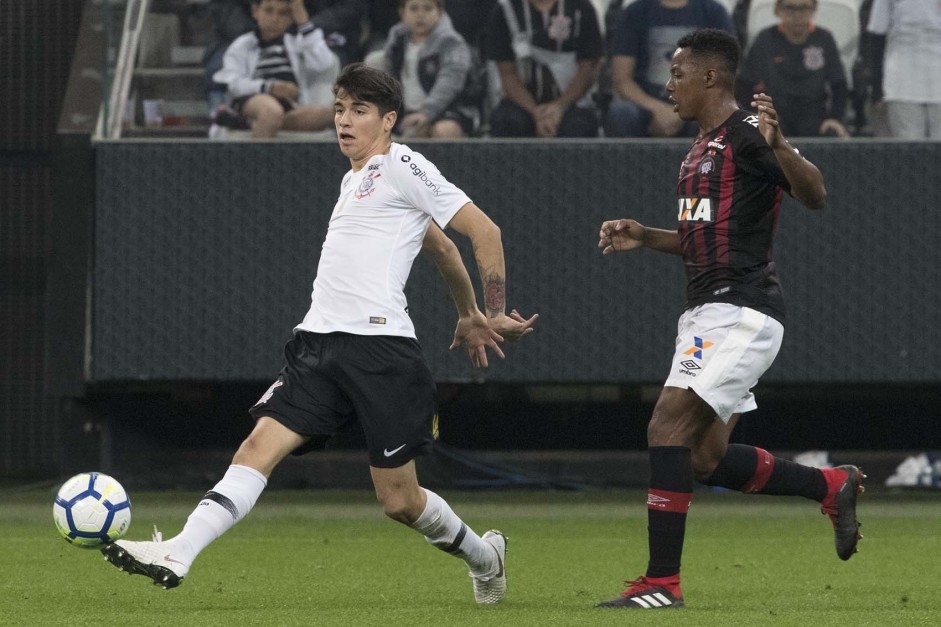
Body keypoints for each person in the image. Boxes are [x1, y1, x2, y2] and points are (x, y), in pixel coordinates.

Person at [101, 63, 539, 605]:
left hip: (381, 353)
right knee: (257, 445)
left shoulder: (401, 162)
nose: (344, 121)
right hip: (317, 346)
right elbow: (441, 249)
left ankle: (484, 556)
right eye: (338, 109)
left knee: (400, 501)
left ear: (388, 120)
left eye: (359, 111)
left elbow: (481, 231)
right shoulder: (354, 179)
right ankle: (179, 551)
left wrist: (490, 311)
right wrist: (466, 311)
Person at [595, 28, 863, 609]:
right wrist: (646, 236)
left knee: (666, 426)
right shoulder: (697, 149)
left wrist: (783, 146)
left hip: (740, 310)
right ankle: (830, 486)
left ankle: (661, 584)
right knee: (703, 457)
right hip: (705, 311)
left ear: (710, 76)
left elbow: (815, 194)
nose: (668, 84)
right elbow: (700, 238)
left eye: (677, 73)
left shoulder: (748, 134)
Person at [605, 0, 734, 138]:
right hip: (645, 104)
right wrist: (657, 109)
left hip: (697, 104)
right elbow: (622, 79)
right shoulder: (634, 13)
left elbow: (724, 76)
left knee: (718, 115)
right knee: (621, 114)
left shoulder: (713, 12)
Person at [212, 0, 340, 138]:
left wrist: (303, 22)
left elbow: (324, 64)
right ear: (256, 11)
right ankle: (259, 155)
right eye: (268, 10)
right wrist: (270, 88)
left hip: (289, 106)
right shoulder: (243, 45)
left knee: (334, 114)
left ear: (291, 17)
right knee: (271, 112)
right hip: (254, 99)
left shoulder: (297, 44)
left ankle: (250, 124)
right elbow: (234, 84)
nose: (274, 19)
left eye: (283, 13)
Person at [485, 0, 604, 138]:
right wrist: (537, 113)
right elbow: (508, 75)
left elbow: (587, 69)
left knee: (577, 127)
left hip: (572, 102)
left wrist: (559, 107)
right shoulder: (505, 10)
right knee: (507, 122)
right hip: (521, 104)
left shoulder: (582, 8)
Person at [737, 0, 850, 138]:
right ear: (778, 10)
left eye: (803, 8)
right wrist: (755, 114)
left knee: (835, 134)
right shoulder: (765, 39)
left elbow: (839, 84)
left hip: (814, 116)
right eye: (790, 8)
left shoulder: (824, 39)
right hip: (776, 114)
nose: (797, 15)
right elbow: (744, 84)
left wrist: (835, 118)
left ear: (813, 10)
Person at [378, 0, 479, 138]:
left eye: (427, 8)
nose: (420, 15)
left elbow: (449, 83)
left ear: (440, 12)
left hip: (452, 110)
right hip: (406, 111)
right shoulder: (396, 39)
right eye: (413, 9)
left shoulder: (452, 42)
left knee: (444, 130)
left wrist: (426, 112)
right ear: (402, 12)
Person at [866, 0, 941, 139]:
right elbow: (877, 34)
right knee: (909, 153)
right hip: (902, 81)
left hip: (934, 77)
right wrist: (877, 88)